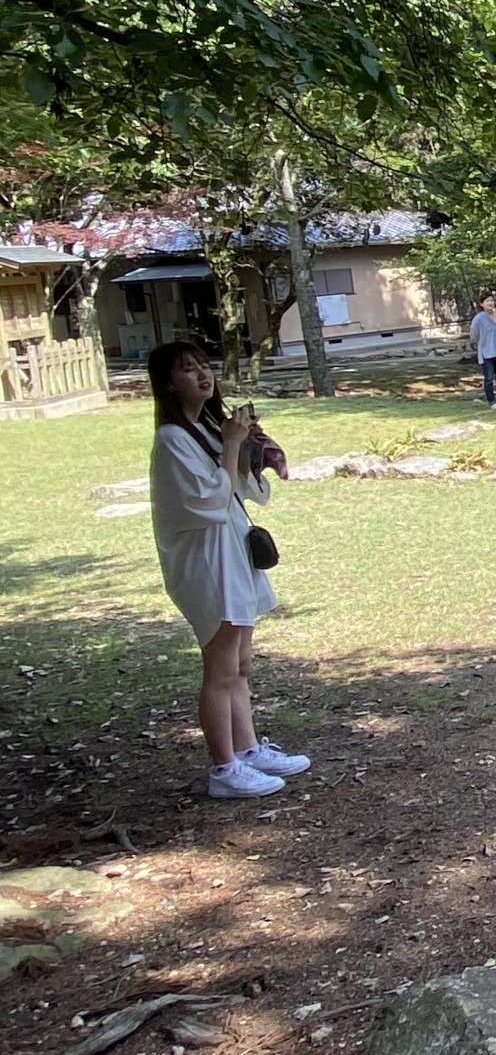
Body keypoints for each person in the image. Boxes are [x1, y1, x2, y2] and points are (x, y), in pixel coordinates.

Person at [146, 341, 311, 799]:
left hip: (232, 553)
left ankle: (249, 750)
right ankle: (224, 767)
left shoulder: (204, 427)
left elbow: (240, 488)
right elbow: (206, 502)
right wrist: (232, 443)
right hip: (207, 561)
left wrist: (248, 446)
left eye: (204, 365)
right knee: (220, 669)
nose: (202, 375)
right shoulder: (172, 439)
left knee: (239, 664)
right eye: (187, 369)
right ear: (167, 385)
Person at [470, 293, 496, 408]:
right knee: (489, 378)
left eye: (491, 300)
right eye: (487, 301)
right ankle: (492, 402)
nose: (490, 303)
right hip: (486, 352)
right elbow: (474, 334)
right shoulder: (478, 319)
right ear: (482, 304)